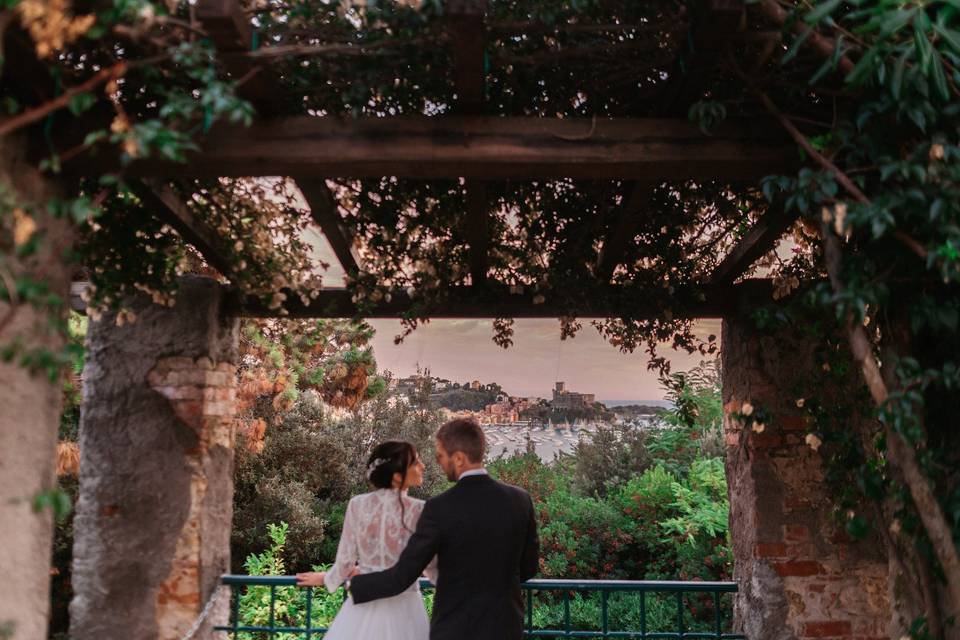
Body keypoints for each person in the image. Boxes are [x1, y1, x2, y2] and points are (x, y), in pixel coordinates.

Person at [348, 418, 540, 640]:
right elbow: (528, 568)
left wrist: (356, 583)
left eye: (440, 455)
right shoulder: (520, 500)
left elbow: (402, 576)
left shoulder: (438, 508)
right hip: (505, 629)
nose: (437, 462)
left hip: (454, 630)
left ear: (458, 458)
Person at [295, 440, 436, 640]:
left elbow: (345, 562)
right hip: (406, 607)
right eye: (415, 462)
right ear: (397, 477)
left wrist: (327, 579)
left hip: (363, 604)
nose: (423, 466)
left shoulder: (357, 505)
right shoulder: (420, 510)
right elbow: (431, 567)